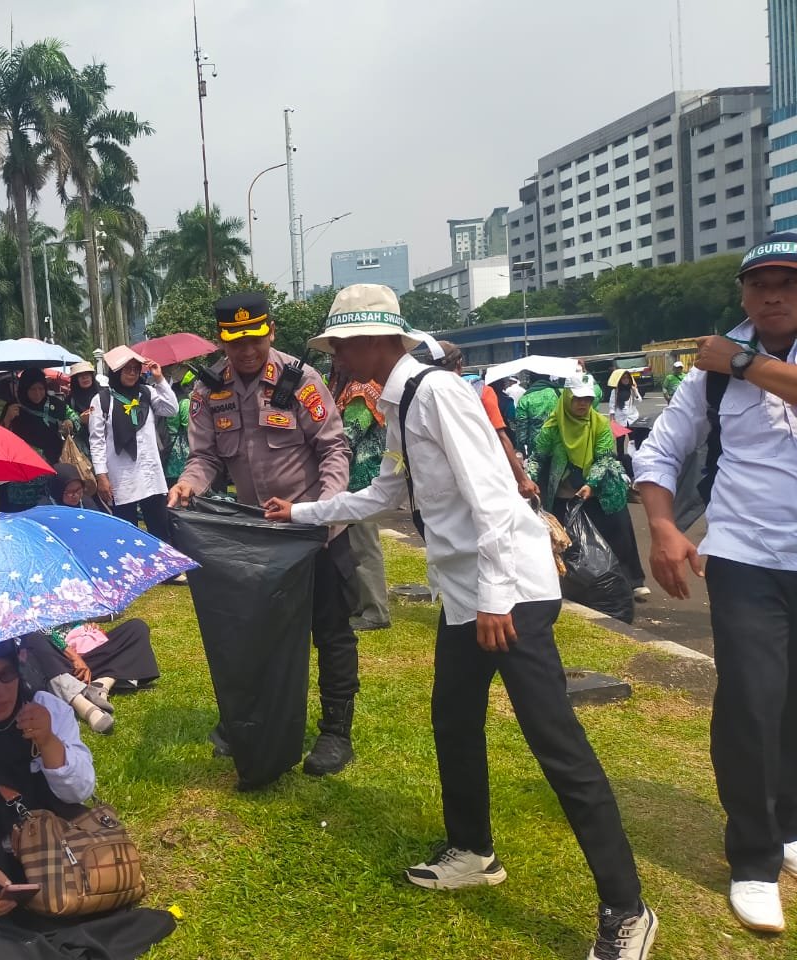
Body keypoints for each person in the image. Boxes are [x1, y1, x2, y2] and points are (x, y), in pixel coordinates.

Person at [263, 283, 656, 960]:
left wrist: (496, 597)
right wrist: (300, 512)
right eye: (337, 347)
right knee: (453, 721)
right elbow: (388, 491)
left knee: (556, 743)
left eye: (345, 345)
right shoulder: (399, 401)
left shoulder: (437, 393)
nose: (339, 357)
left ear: (381, 341)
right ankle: (473, 850)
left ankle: (626, 907)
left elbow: (494, 498)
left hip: (508, 594)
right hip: (465, 594)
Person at [633, 232, 797, 933]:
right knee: (752, 705)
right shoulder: (710, 374)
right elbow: (660, 452)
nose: (772, 295)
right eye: (759, 284)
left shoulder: (730, 360)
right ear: (743, 294)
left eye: (787, 283)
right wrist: (663, 528)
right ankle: (754, 860)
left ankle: (788, 826)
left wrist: (743, 361)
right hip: (745, 557)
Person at [168, 291, 359, 777]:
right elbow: (205, 457)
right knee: (257, 631)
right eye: (236, 343)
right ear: (221, 341)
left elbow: (334, 450)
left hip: (315, 530)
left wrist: (324, 511)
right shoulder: (208, 389)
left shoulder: (301, 380)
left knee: (331, 632)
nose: (248, 351)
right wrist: (189, 484)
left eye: (255, 339)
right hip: (259, 537)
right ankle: (252, 719)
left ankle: (336, 732)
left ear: (270, 332)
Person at [0, 644, 176, 960]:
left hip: (62, 861)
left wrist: (48, 741)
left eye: (7, 674)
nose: (0, 690)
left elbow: (79, 791)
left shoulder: (47, 710)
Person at [529, 378, 649, 601]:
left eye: (587, 399)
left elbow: (604, 458)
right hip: (565, 494)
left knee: (619, 531)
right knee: (569, 542)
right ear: (567, 398)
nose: (582, 403)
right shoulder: (552, 427)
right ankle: (578, 585)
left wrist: (591, 484)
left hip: (600, 491)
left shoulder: (599, 424)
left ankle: (632, 582)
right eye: (577, 399)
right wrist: (527, 479)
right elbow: (538, 457)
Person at [89, 346, 178, 544]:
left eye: (136, 369)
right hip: (122, 475)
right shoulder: (102, 400)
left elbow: (171, 409)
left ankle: (162, 564)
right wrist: (101, 476)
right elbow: (97, 440)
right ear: (116, 371)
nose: (132, 373)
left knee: (159, 530)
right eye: (127, 369)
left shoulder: (146, 392)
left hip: (149, 473)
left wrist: (159, 379)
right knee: (127, 533)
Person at [328, 358, 391, 632]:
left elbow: (349, 435)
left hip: (361, 480)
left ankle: (376, 610)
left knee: (364, 547)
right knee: (349, 547)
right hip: (350, 479)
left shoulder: (362, 390)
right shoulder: (349, 388)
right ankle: (357, 603)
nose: (335, 363)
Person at [431, 341, 538, 501]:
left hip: (440, 478)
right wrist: (522, 479)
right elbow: (501, 437)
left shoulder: (424, 394)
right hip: (480, 474)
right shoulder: (482, 392)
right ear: (459, 363)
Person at [18, 619, 161, 734]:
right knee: (33, 638)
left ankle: (101, 685)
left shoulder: (62, 596)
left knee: (136, 627)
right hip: (56, 663)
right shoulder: (23, 607)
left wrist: (84, 626)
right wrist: (72, 655)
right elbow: (39, 629)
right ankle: (83, 706)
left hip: (86, 657)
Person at [0, 369, 76, 513]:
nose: (37, 393)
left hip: (52, 469)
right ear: (25, 389)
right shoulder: (14, 407)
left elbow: (76, 419)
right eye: (32, 389)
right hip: (23, 477)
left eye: (41, 388)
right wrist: (7, 418)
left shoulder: (56, 405)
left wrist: (70, 423)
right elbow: (0, 438)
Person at [513, 374, 561, 455]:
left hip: (535, 447)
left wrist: (521, 447)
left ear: (531, 380)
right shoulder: (558, 393)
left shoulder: (525, 399)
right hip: (557, 444)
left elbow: (521, 427)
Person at [163, 370, 195, 489]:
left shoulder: (167, 400)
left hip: (165, 443)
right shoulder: (184, 402)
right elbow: (188, 426)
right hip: (180, 449)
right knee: (181, 483)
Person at [607, 371, 642, 465]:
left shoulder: (632, 390)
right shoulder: (615, 391)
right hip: (620, 420)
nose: (626, 380)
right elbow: (612, 405)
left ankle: (634, 459)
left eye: (627, 378)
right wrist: (612, 419)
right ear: (620, 379)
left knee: (633, 441)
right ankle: (621, 462)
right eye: (623, 378)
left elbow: (639, 401)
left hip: (632, 419)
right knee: (620, 442)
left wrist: (635, 391)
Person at [66, 361, 98, 458]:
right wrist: (78, 421)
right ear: (76, 379)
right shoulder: (70, 400)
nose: (85, 378)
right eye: (81, 376)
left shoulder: (103, 394)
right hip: (83, 448)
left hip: (105, 442)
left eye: (87, 374)